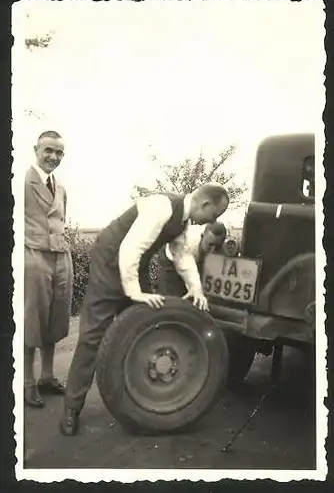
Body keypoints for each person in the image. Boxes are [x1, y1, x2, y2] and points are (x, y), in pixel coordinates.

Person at [60, 184, 229, 436]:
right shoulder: (161, 207)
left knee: (144, 326)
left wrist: (196, 288)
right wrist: (134, 292)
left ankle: (140, 397)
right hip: (109, 261)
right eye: (213, 216)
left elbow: (181, 255)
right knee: (93, 337)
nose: (211, 222)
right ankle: (71, 409)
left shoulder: (181, 221)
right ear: (204, 204)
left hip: (132, 266)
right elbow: (131, 248)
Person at [24, 130, 73, 408]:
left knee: (55, 317)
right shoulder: (22, 182)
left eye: (59, 153)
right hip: (33, 256)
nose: (53, 157)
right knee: (32, 321)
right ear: (36, 149)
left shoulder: (62, 188)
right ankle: (27, 383)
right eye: (48, 151)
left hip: (59, 257)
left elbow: (61, 222)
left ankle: (47, 376)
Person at [158, 221, 227, 298]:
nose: (213, 250)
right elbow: (188, 273)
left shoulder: (221, 249)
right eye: (210, 244)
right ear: (202, 236)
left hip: (193, 258)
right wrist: (196, 291)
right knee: (173, 294)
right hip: (172, 257)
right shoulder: (189, 242)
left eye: (217, 246)